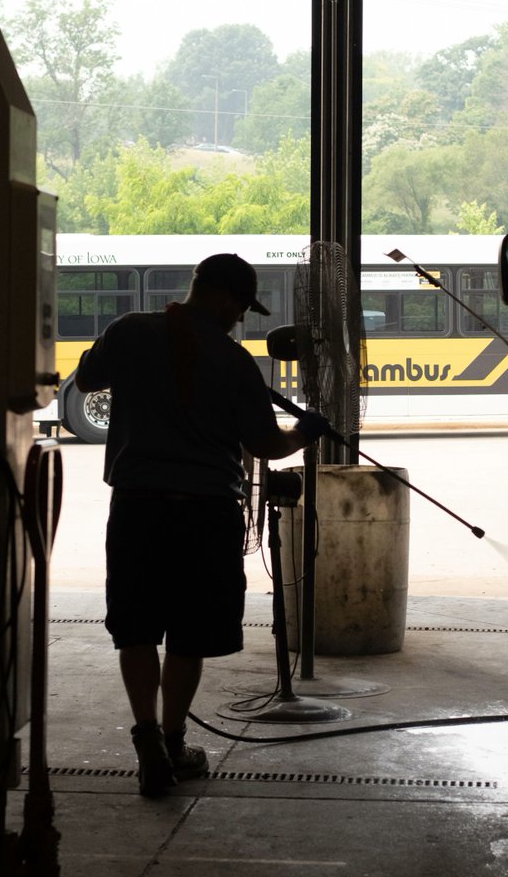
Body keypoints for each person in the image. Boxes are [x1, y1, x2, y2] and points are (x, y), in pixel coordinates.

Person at [74, 252, 330, 796]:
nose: (240, 317)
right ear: (217, 295)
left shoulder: (129, 331)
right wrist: (306, 432)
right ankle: (171, 743)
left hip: (138, 507)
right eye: (238, 306)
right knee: (188, 636)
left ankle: (147, 740)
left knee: (136, 628)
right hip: (206, 514)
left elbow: (88, 378)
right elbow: (267, 446)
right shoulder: (235, 363)